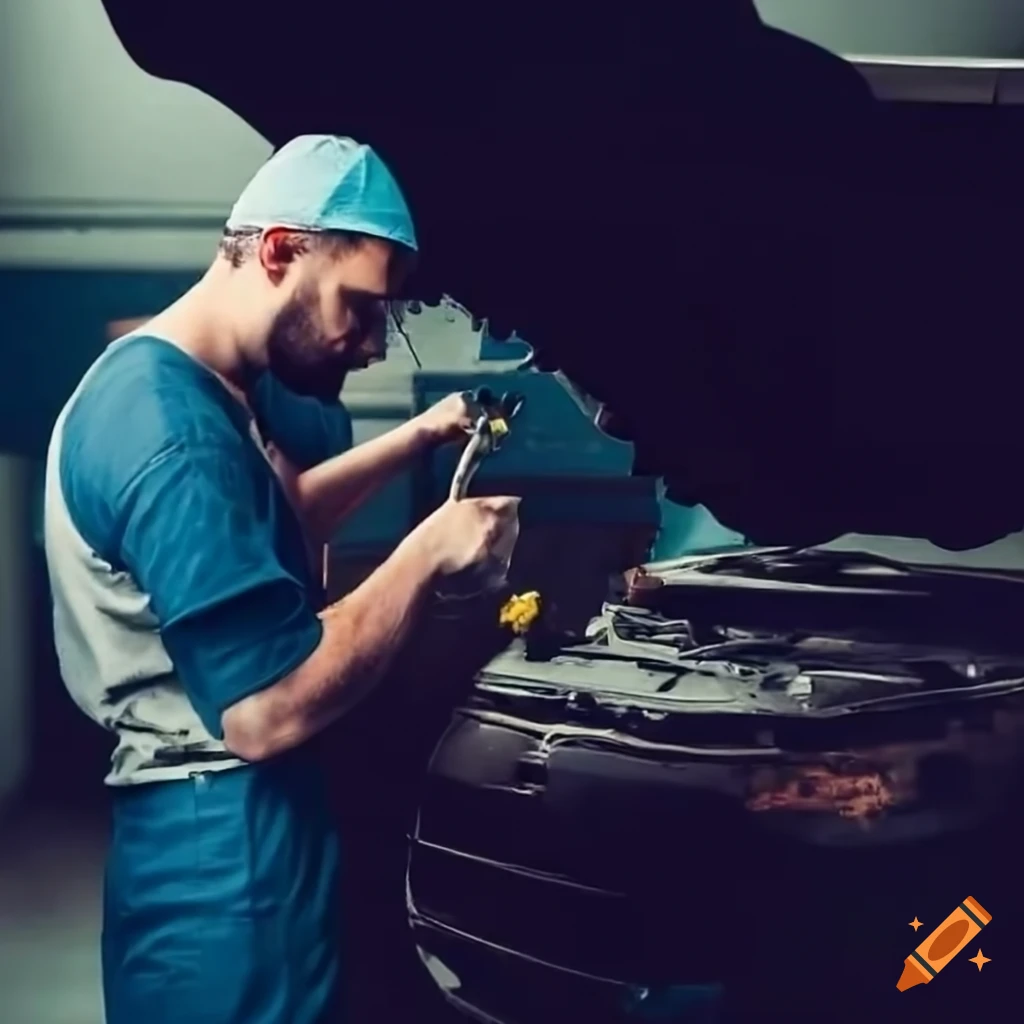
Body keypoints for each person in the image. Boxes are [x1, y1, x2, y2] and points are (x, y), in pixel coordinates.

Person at [42, 134, 519, 1023]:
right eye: (364, 306)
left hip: (220, 831)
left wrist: (417, 439)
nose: (373, 344)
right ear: (278, 250)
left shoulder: (179, 382)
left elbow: (272, 521)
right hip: (229, 853)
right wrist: (429, 552)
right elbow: (265, 710)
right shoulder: (170, 433)